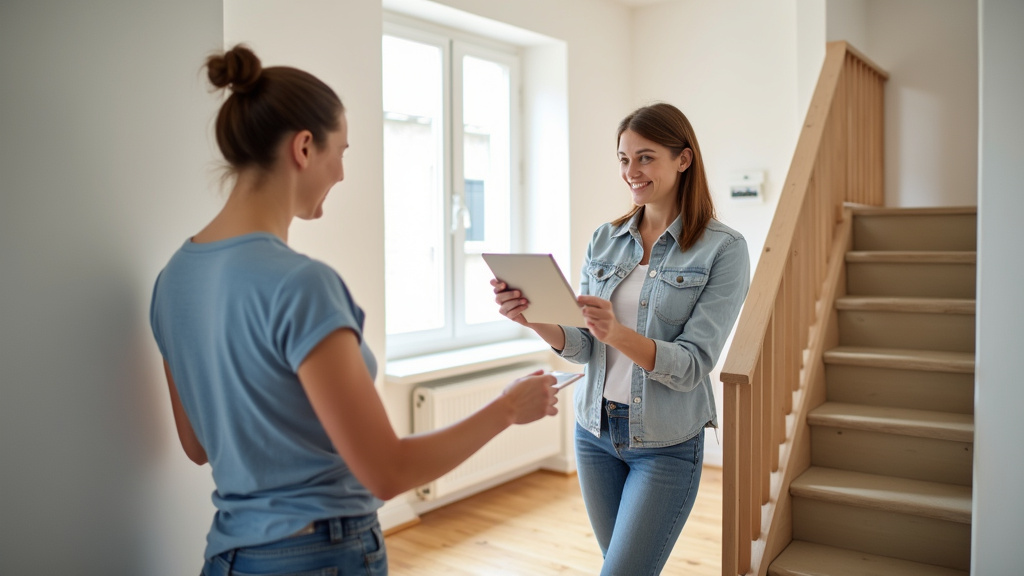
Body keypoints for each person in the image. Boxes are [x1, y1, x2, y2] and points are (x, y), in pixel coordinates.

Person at [149, 45, 559, 576]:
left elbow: (197, 445)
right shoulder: (302, 284)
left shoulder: (173, 280)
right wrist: (507, 408)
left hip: (229, 557)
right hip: (319, 556)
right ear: (303, 147)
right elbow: (385, 473)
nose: (342, 172)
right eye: (340, 151)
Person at [492, 102, 750, 575]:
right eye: (623, 159)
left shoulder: (723, 249)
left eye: (646, 157)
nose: (631, 171)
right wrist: (534, 321)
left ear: (683, 159)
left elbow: (694, 364)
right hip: (594, 434)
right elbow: (586, 344)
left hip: (667, 444)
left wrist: (619, 333)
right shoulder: (604, 239)